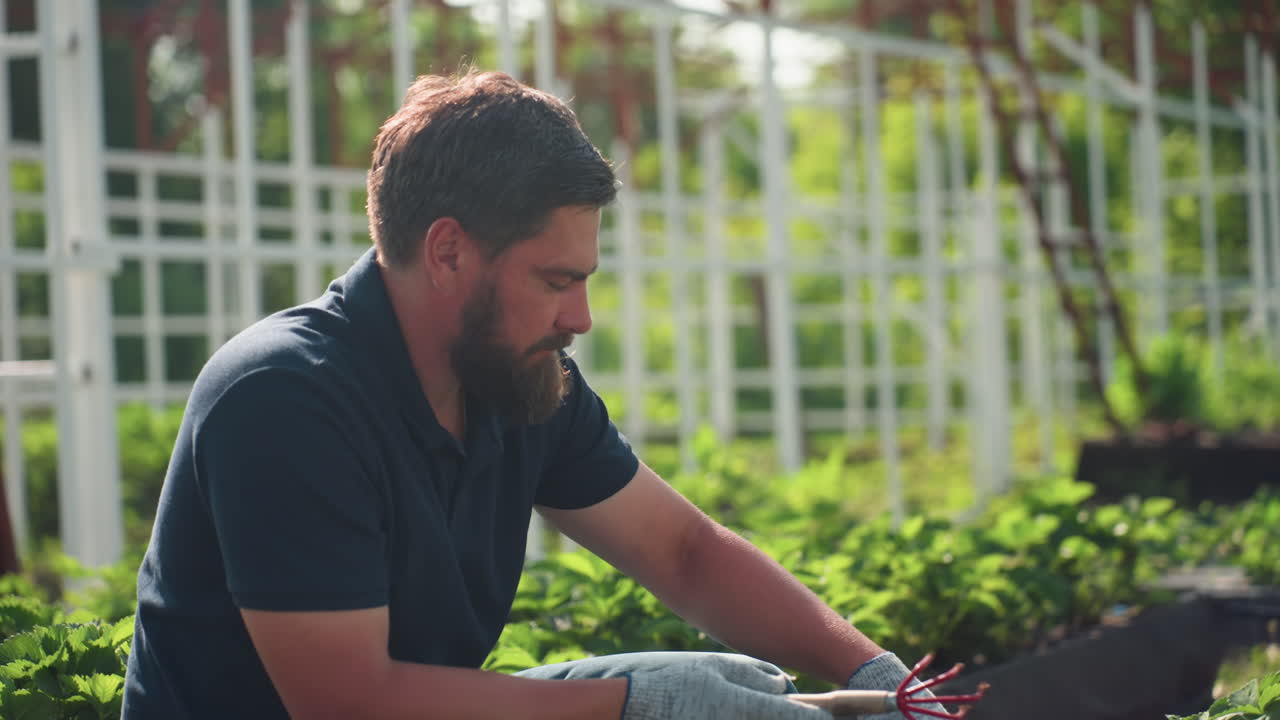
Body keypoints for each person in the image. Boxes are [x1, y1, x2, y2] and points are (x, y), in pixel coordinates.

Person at [121, 70, 942, 720]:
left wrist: (871, 670)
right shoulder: (285, 398)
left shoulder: (519, 381)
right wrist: (636, 706)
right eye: (556, 281)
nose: (580, 317)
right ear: (448, 253)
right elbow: (348, 702)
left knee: (747, 690)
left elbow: (681, 551)